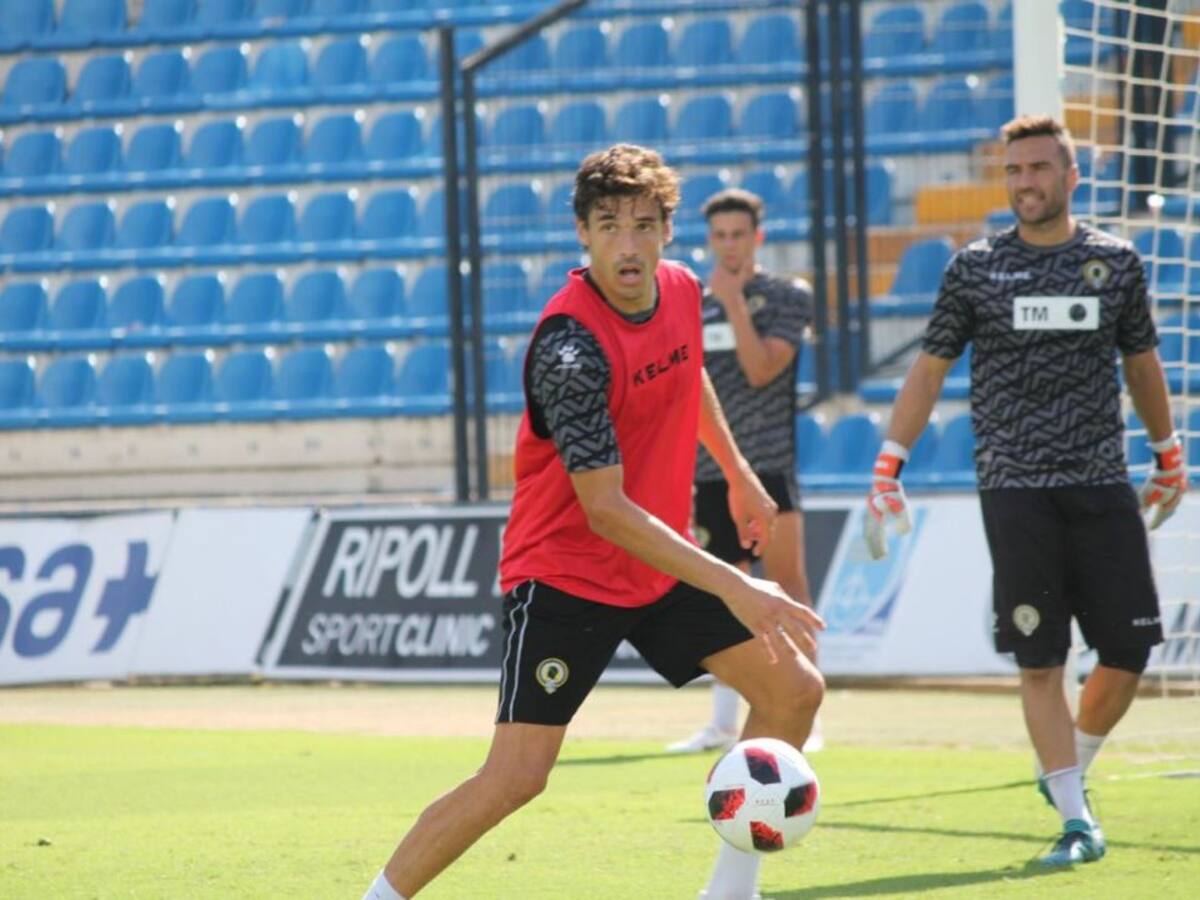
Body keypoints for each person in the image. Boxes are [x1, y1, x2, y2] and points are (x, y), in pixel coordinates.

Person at [362, 144, 826, 900]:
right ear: (583, 233)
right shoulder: (568, 346)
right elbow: (604, 510)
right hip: (566, 572)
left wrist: (739, 475)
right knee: (517, 776)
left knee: (794, 692)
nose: (628, 245)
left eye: (643, 225)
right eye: (609, 226)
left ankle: (731, 891)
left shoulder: (681, 289)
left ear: (667, 231)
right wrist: (736, 586)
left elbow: (688, 371)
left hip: (658, 563)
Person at [864, 115, 1186, 868]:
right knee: (1040, 659)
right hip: (1014, 487)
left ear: (1071, 177)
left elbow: (1141, 362)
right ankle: (1076, 817)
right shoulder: (975, 268)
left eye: (1039, 168)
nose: (1024, 182)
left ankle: (1066, 765)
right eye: (1013, 170)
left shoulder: (1114, 262)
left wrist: (1168, 452)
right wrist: (889, 462)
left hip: (1101, 481)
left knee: (1130, 650)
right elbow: (929, 369)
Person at [667, 188, 821, 755]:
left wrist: (733, 303)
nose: (729, 246)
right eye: (720, 236)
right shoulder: (693, 303)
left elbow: (761, 371)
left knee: (787, 587)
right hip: (710, 469)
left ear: (757, 237)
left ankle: (808, 715)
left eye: (738, 235)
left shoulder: (786, 296)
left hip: (770, 464)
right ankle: (722, 723)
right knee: (724, 596)